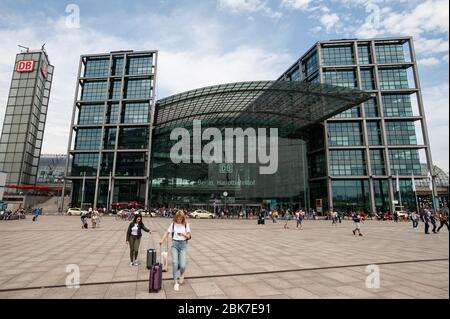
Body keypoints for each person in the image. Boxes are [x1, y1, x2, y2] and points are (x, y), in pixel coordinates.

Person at [159, 211, 191, 292]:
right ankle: (175, 282)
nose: (179, 220)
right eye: (177, 218)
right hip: (175, 245)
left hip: (183, 245)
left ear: (183, 218)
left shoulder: (186, 225)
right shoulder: (173, 224)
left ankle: (181, 274)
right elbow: (167, 232)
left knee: (182, 265)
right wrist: (162, 240)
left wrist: (183, 235)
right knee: (174, 263)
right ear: (175, 218)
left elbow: (189, 236)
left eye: (180, 219)